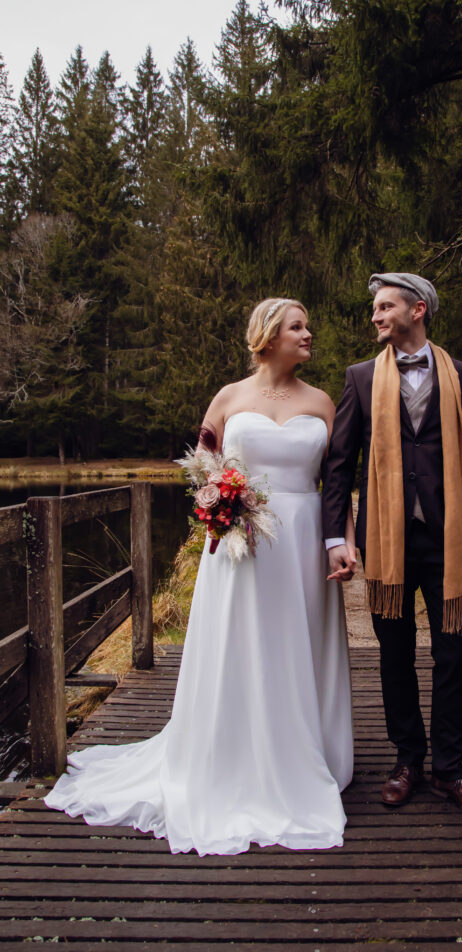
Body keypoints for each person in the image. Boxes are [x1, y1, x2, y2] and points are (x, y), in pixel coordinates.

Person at [45, 298, 354, 855]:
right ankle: (234, 751)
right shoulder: (229, 397)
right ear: (268, 336)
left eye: (308, 326)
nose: (309, 334)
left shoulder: (323, 402)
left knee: (297, 644)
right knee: (243, 645)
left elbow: (337, 484)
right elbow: (204, 465)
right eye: (298, 327)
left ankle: (305, 751)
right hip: (243, 542)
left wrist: (342, 542)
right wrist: (221, 505)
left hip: (304, 541)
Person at [322, 272, 462, 819]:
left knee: (454, 658)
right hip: (388, 542)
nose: (375, 316)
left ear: (417, 309)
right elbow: (339, 466)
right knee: (394, 656)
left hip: (450, 544)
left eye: (384, 306)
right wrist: (337, 537)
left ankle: (450, 769)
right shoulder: (358, 378)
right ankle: (408, 761)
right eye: (374, 308)